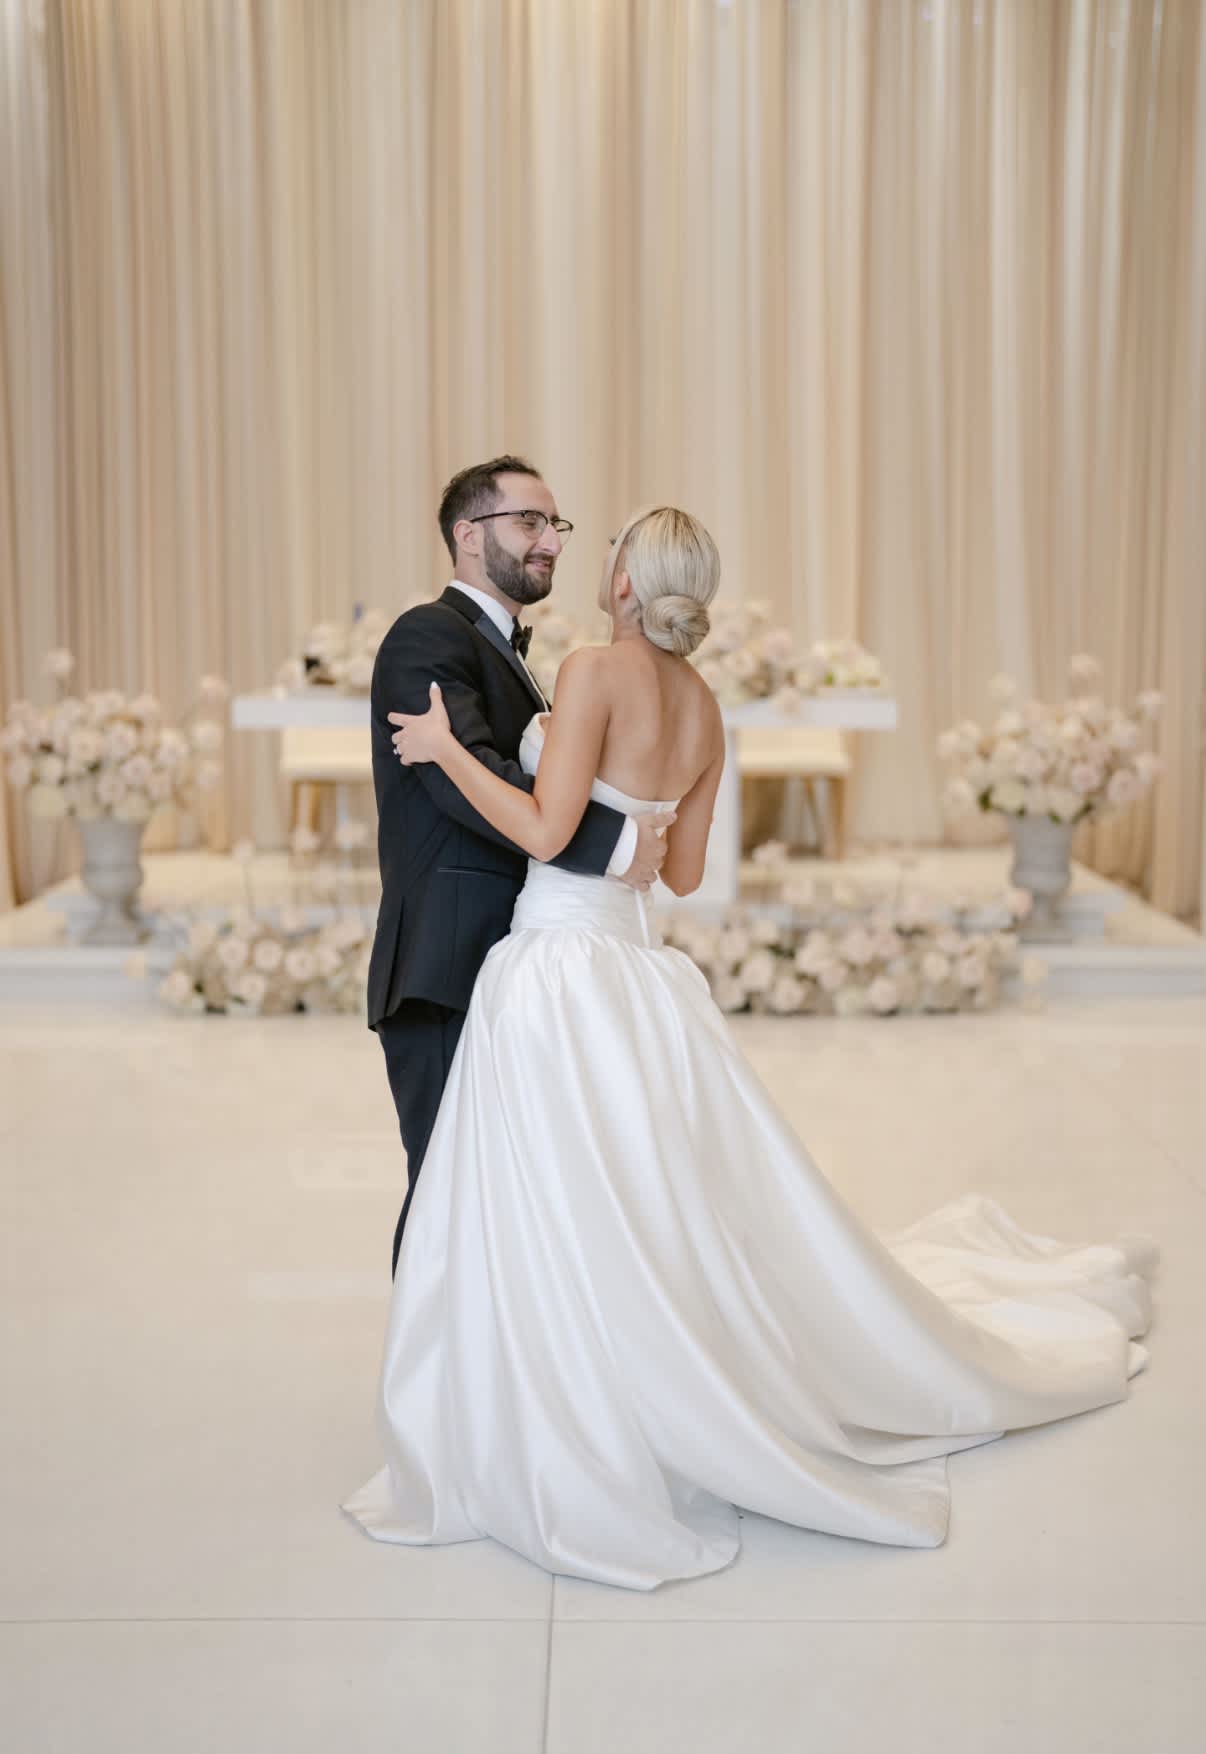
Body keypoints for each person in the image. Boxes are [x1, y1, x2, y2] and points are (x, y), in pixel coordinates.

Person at [343, 504, 1156, 1591]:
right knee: (640, 1195)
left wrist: (447, 748)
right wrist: (636, 833)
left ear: (626, 582)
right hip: (638, 967)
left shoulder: (590, 671)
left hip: (555, 967)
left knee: (553, 1196)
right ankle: (637, 1383)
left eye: (605, 550)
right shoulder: (706, 706)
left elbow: (543, 832)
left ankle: (558, 1403)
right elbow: (678, 875)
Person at [366, 457, 674, 1278]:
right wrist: (619, 844)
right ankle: (426, 1363)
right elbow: (472, 780)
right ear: (468, 535)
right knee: (446, 1198)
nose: (551, 542)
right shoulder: (426, 635)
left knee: (503, 1199)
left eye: (554, 525)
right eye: (529, 522)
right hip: (446, 962)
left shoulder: (507, 652)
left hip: (510, 960)